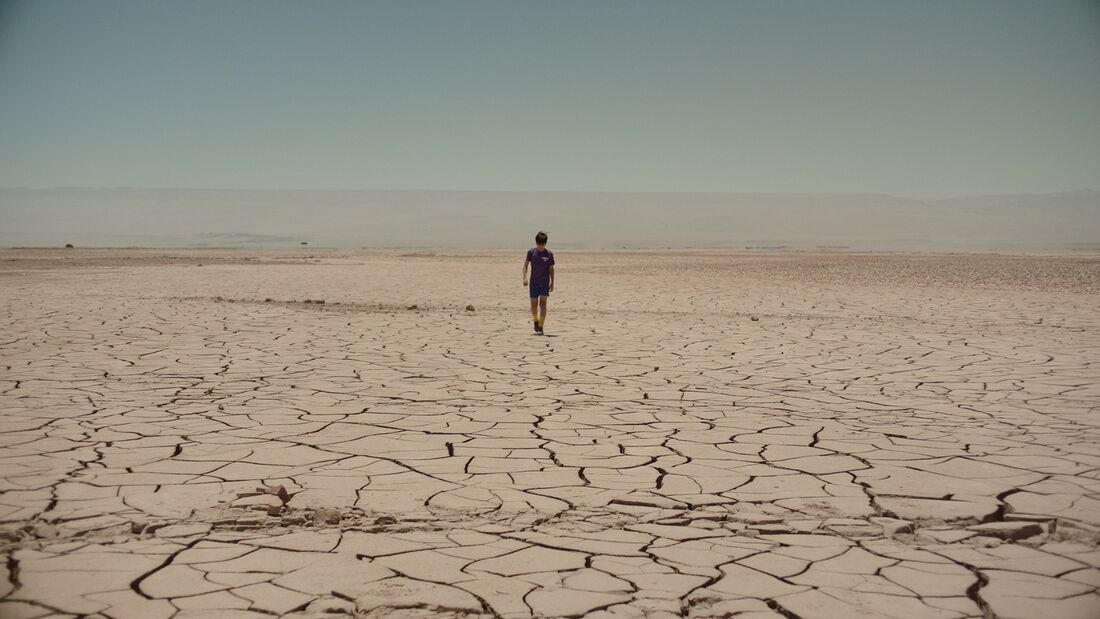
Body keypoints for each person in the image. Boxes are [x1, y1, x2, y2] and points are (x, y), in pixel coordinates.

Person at [522, 231, 555, 335]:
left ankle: (541, 326)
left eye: (542, 244)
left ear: (545, 243)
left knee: (543, 304)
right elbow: (525, 265)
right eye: (538, 244)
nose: (540, 246)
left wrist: (552, 283)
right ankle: (535, 321)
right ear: (536, 243)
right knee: (533, 304)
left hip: (544, 283)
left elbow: (551, 269)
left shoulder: (549, 254)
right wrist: (524, 278)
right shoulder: (531, 252)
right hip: (534, 283)